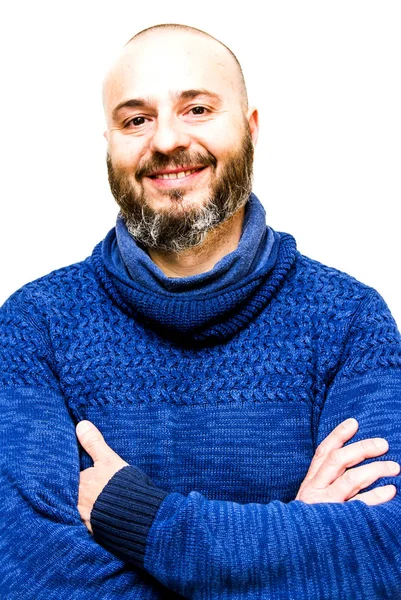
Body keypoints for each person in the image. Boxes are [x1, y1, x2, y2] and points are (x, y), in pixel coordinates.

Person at [1, 23, 401, 600]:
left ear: (251, 129)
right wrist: (293, 545)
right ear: (108, 141)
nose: (165, 141)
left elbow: (385, 556)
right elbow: (30, 577)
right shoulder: (33, 327)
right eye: (135, 119)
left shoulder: (349, 320)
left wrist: (137, 517)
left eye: (197, 109)